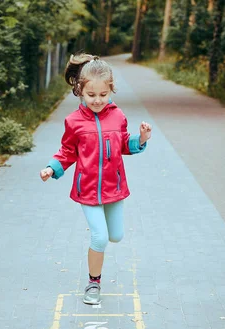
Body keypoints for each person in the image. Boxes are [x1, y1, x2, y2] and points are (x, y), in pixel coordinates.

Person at [40, 53, 152, 305]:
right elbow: (67, 152)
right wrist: (51, 168)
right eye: (91, 95)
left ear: (111, 90)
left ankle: (98, 264)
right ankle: (93, 283)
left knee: (116, 236)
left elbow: (124, 143)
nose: (98, 100)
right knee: (99, 237)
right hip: (87, 190)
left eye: (103, 95)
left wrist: (141, 139)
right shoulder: (74, 122)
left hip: (115, 188)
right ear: (79, 90)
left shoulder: (118, 116)